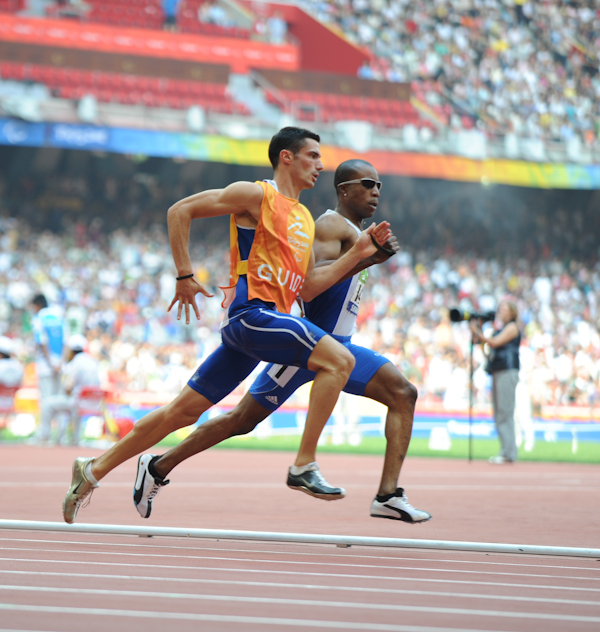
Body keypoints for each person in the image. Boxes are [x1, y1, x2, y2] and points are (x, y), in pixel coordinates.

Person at [63, 126, 391, 523]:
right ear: (286, 157)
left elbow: (307, 288)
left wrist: (360, 254)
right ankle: (304, 464)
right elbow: (179, 210)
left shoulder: (305, 218)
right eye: (312, 156)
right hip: (252, 316)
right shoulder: (257, 194)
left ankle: (93, 470)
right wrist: (184, 274)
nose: (320, 166)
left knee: (181, 413)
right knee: (338, 360)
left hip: (268, 326)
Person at [132, 159, 431, 523]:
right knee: (241, 420)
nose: (375, 192)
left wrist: (369, 256)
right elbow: (311, 285)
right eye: (367, 184)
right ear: (344, 190)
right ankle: (158, 465)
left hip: (340, 347)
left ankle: (388, 494)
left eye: (379, 186)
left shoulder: (357, 233)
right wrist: (364, 259)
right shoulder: (329, 224)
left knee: (403, 393)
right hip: (307, 349)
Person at [471, 298, 522, 464]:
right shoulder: (500, 329)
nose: (500, 311)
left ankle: (508, 452)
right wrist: (479, 336)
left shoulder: (512, 328)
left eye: (504, 308)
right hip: (499, 370)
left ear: (512, 312)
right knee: (500, 412)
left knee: (505, 412)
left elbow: (494, 343)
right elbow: (489, 349)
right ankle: (506, 450)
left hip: (507, 371)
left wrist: (477, 331)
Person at [42, 334, 102, 446]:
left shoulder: (75, 363)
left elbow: (68, 387)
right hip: (94, 402)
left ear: (71, 350)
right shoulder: (93, 361)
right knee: (70, 404)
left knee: (47, 404)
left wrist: (65, 391)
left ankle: (45, 437)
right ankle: (74, 438)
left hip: (78, 403)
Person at [31, 293, 65, 445]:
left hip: (46, 365)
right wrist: (60, 363)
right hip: (61, 365)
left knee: (46, 400)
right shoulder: (59, 315)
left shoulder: (39, 317)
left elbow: (41, 342)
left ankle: (44, 435)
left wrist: (50, 363)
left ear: (36, 305)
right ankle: (61, 436)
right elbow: (67, 342)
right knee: (60, 400)